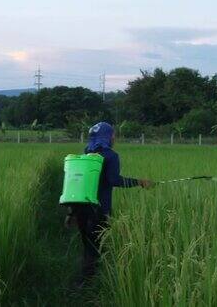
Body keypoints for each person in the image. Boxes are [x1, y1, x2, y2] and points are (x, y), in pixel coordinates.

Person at [65, 122, 153, 285]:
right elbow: (114, 180)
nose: (114, 138)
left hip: (82, 208)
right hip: (99, 210)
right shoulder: (111, 156)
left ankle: (86, 280)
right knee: (96, 248)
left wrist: (72, 212)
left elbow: (76, 183)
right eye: (113, 135)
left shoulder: (86, 154)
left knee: (87, 245)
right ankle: (86, 285)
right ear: (107, 136)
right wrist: (139, 182)